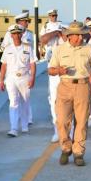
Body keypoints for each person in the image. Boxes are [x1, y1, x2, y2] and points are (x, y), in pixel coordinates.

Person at [48, 21, 91, 166]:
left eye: (82, 34)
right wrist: (59, 71)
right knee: (62, 121)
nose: (81, 37)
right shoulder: (59, 49)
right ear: (70, 36)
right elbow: (50, 70)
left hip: (83, 87)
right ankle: (66, 149)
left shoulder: (89, 48)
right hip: (64, 87)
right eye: (78, 35)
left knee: (82, 122)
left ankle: (78, 153)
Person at [0, 25, 37, 137]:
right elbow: (4, 65)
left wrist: (33, 77)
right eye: (14, 33)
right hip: (11, 78)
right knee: (13, 102)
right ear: (11, 35)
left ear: (21, 34)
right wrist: (1, 80)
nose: (16, 35)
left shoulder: (28, 47)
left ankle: (24, 125)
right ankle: (14, 128)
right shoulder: (8, 49)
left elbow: (32, 63)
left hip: (24, 77)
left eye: (18, 33)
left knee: (25, 101)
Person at [39, 9, 64, 143]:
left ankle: (68, 130)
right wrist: (54, 33)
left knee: (67, 99)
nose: (53, 17)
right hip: (52, 66)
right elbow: (42, 40)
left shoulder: (62, 25)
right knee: (53, 99)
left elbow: (67, 40)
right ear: (49, 16)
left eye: (55, 15)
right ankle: (56, 131)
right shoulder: (45, 27)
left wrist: (60, 33)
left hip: (64, 65)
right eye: (51, 15)